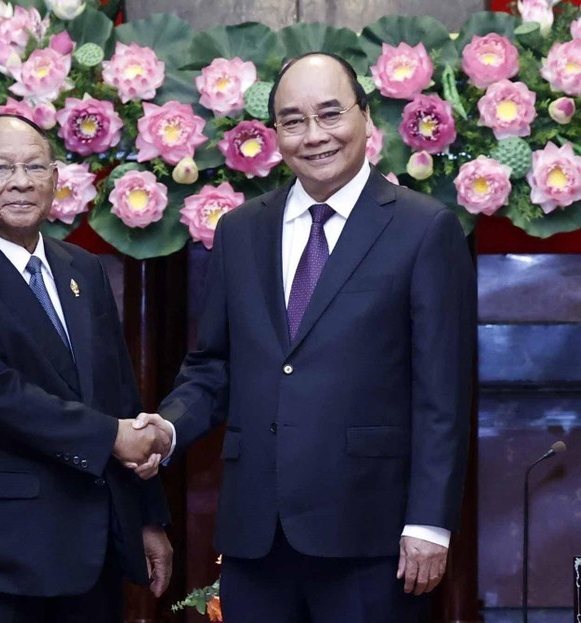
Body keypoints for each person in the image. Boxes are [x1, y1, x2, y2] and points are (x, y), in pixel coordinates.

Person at [136, 52, 476, 622]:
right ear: (275, 135)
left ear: (367, 119)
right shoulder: (242, 231)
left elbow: (443, 392)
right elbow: (212, 366)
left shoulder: (423, 229)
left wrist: (429, 523)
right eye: (293, 121)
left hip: (372, 535)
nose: (313, 135)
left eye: (330, 114)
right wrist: (168, 428)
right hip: (256, 536)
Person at [0, 113, 172, 623]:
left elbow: (120, 392)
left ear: (55, 179)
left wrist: (147, 518)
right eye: (1, 167)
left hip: (91, 550)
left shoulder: (83, 270)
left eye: (36, 166)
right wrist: (111, 437)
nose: (22, 181)